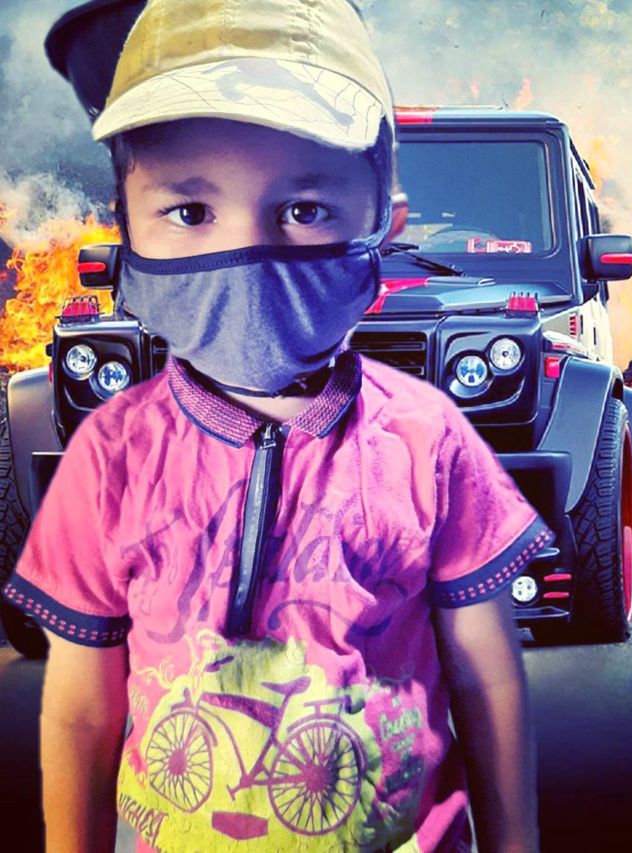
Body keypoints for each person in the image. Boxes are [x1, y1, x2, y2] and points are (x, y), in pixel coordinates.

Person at [2, 1, 552, 850]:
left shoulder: (429, 439)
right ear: (125, 223)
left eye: (304, 207)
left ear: (384, 218)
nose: (250, 252)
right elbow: (81, 710)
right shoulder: (110, 455)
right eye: (190, 211)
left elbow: (487, 677)